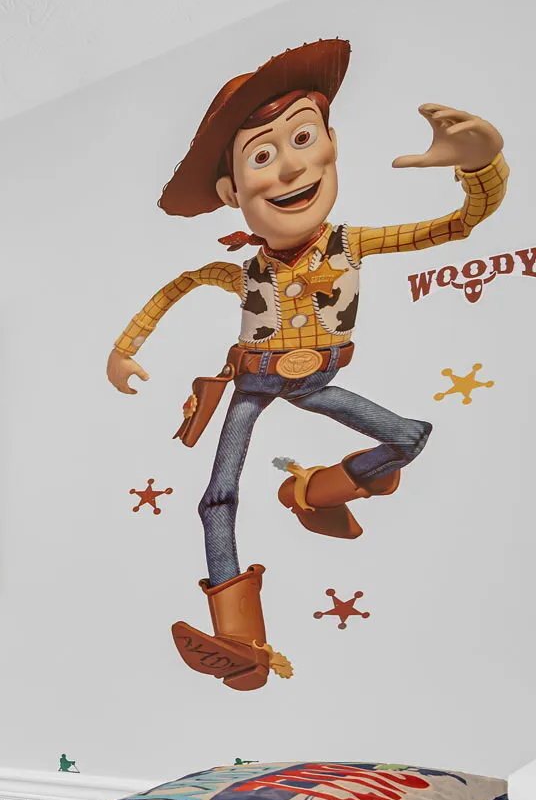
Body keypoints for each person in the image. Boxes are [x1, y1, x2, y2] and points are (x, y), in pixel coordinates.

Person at [107, 39, 506, 691]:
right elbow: (181, 284)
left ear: (331, 145)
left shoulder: (352, 244)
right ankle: (242, 643)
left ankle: (313, 492)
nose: (290, 168)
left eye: (302, 138)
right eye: (263, 156)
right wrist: (126, 348)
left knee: (409, 438)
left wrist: (481, 167)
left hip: (316, 379)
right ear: (233, 191)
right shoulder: (243, 272)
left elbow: (457, 226)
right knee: (218, 497)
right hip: (253, 381)